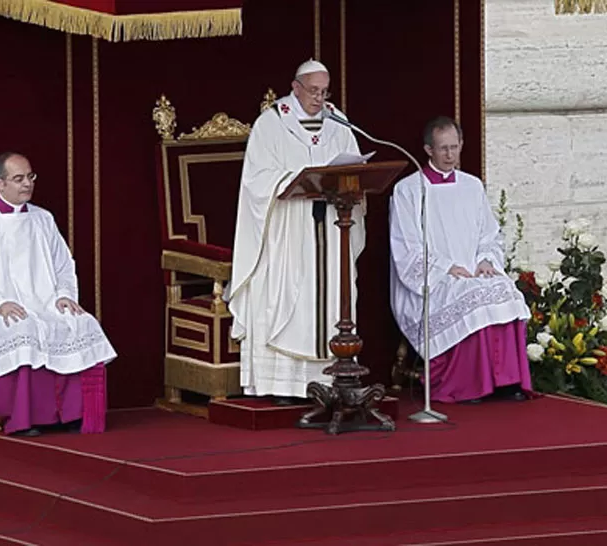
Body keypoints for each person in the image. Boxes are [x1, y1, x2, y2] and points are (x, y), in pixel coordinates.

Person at [0, 152, 116, 437]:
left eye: (30, 177)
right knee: (23, 328)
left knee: (82, 323)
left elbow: (63, 263)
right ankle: (25, 418)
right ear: (0, 183)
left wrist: (63, 295)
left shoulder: (42, 219)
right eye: (18, 178)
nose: (27, 184)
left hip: (44, 302)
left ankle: (73, 414)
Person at [227, 59, 364, 405]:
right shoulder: (270, 125)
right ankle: (284, 384)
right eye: (313, 91)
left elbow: (355, 168)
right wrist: (294, 179)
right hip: (287, 230)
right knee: (289, 299)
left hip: (333, 227)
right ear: (296, 87)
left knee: (332, 297)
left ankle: (332, 380)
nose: (320, 98)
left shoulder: (338, 123)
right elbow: (256, 181)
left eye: (324, 91)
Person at [389, 116, 532, 403]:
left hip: (473, 271)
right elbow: (406, 247)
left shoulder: (472, 186)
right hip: (436, 279)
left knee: (504, 291)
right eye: (443, 149)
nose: (450, 155)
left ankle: (507, 381)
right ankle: (470, 384)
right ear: (428, 150)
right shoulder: (408, 190)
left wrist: (486, 260)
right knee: (475, 298)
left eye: (455, 147)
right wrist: (445, 269)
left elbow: (489, 234)